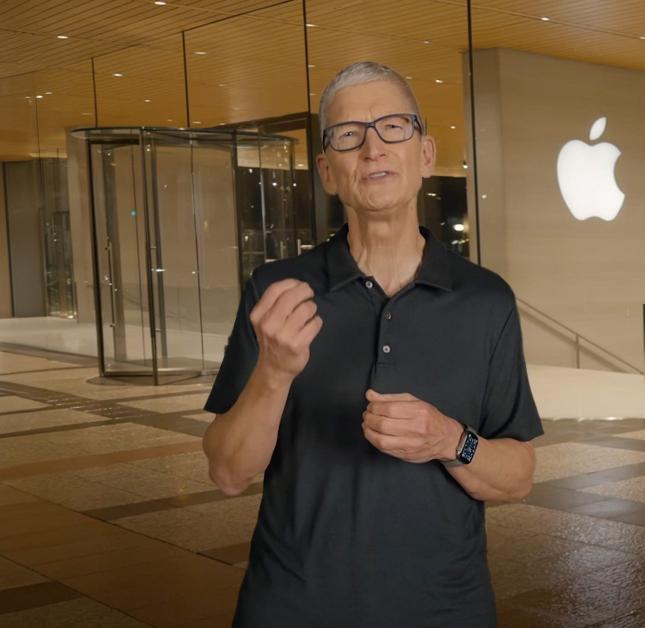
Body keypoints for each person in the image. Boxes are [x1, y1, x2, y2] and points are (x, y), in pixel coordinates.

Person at [201, 61, 542, 628]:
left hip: (445, 608)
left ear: (426, 154)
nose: (373, 148)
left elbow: (518, 478)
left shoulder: (487, 300)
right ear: (327, 172)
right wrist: (274, 374)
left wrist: (447, 438)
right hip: (292, 607)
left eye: (393, 127)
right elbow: (228, 473)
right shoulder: (279, 291)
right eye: (348, 135)